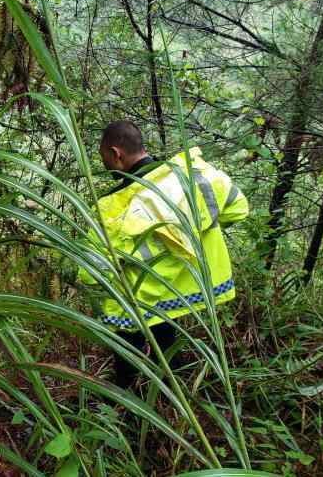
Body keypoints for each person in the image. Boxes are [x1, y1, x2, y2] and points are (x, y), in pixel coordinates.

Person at [79, 121, 248, 389]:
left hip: (139, 299)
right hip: (184, 290)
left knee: (127, 362)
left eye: (104, 158)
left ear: (116, 153)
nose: (105, 165)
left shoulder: (113, 206)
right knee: (169, 352)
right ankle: (175, 402)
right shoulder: (190, 176)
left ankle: (124, 407)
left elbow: (91, 271)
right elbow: (237, 208)